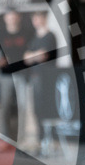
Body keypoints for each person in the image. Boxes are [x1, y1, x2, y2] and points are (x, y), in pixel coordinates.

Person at [0, 9, 31, 144]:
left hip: (22, 74)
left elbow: (32, 49)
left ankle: (21, 139)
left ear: (19, 17)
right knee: (4, 107)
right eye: (9, 17)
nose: (11, 19)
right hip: (5, 75)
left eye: (14, 17)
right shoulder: (1, 34)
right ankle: (6, 139)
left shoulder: (26, 32)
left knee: (22, 107)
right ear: (6, 19)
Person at [24, 10, 59, 150]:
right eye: (35, 19)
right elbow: (26, 58)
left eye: (39, 18)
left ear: (44, 19)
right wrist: (34, 55)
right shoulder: (34, 38)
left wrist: (33, 56)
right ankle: (41, 137)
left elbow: (43, 56)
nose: (36, 21)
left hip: (47, 77)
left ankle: (53, 138)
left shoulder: (50, 36)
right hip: (35, 76)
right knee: (37, 108)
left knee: (49, 106)